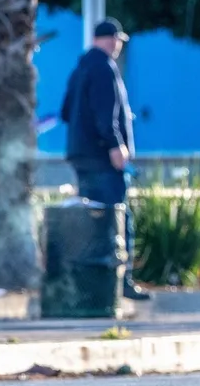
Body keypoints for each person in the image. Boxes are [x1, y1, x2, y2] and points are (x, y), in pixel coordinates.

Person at [61, 18, 150, 301]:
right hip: (102, 158)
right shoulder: (104, 67)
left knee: (91, 220)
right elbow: (106, 113)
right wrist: (115, 146)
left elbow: (65, 112)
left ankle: (92, 285)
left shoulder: (81, 67)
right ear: (111, 40)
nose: (118, 46)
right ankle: (121, 282)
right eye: (117, 40)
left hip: (81, 155)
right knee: (117, 218)